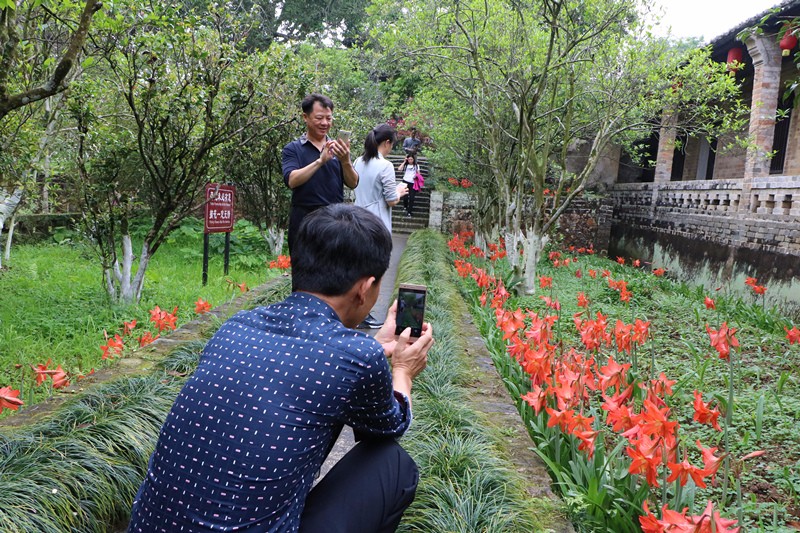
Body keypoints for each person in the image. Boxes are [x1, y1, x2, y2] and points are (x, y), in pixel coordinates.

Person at [129, 204, 435, 533]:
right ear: (366, 287)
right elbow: (389, 425)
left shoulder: (237, 326)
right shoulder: (357, 357)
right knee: (392, 463)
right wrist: (402, 370)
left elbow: (314, 363)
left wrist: (371, 348)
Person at [282, 93, 359, 254]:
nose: (325, 123)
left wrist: (345, 160)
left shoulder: (338, 149)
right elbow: (292, 180)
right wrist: (320, 161)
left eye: (329, 118)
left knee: (334, 272)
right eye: (319, 118)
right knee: (303, 272)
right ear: (305, 117)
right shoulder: (293, 149)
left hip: (334, 220)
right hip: (303, 221)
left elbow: (353, 183)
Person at [354, 124, 409, 329]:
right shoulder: (384, 165)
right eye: (391, 145)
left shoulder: (358, 161)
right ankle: (364, 314)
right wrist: (400, 191)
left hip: (358, 220)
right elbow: (391, 200)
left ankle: (357, 313)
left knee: (359, 269)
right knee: (375, 272)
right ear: (387, 142)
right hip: (376, 225)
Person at [397, 152, 420, 218]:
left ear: (413, 159)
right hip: (405, 182)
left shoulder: (416, 166)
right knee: (405, 196)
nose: (410, 161)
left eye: (411, 159)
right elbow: (399, 169)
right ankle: (405, 207)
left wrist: (416, 176)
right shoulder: (406, 165)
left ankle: (409, 212)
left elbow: (419, 174)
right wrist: (404, 162)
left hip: (413, 183)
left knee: (412, 198)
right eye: (409, 159)